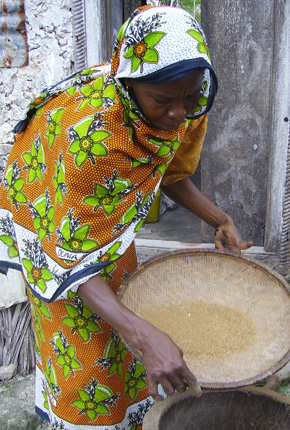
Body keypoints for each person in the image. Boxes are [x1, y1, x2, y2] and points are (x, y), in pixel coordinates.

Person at [0, 5, 253, 429]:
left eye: (189, 99)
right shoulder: (94, 138)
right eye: (164, 101)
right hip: (48, 215)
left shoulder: (184, 95)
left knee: (126, 329)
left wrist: (219, 217)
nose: (178, 114)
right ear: (128, 85)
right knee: (87, 357)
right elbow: (70, 261)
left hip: (95, 222)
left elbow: (167, 170)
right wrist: (143, 335)